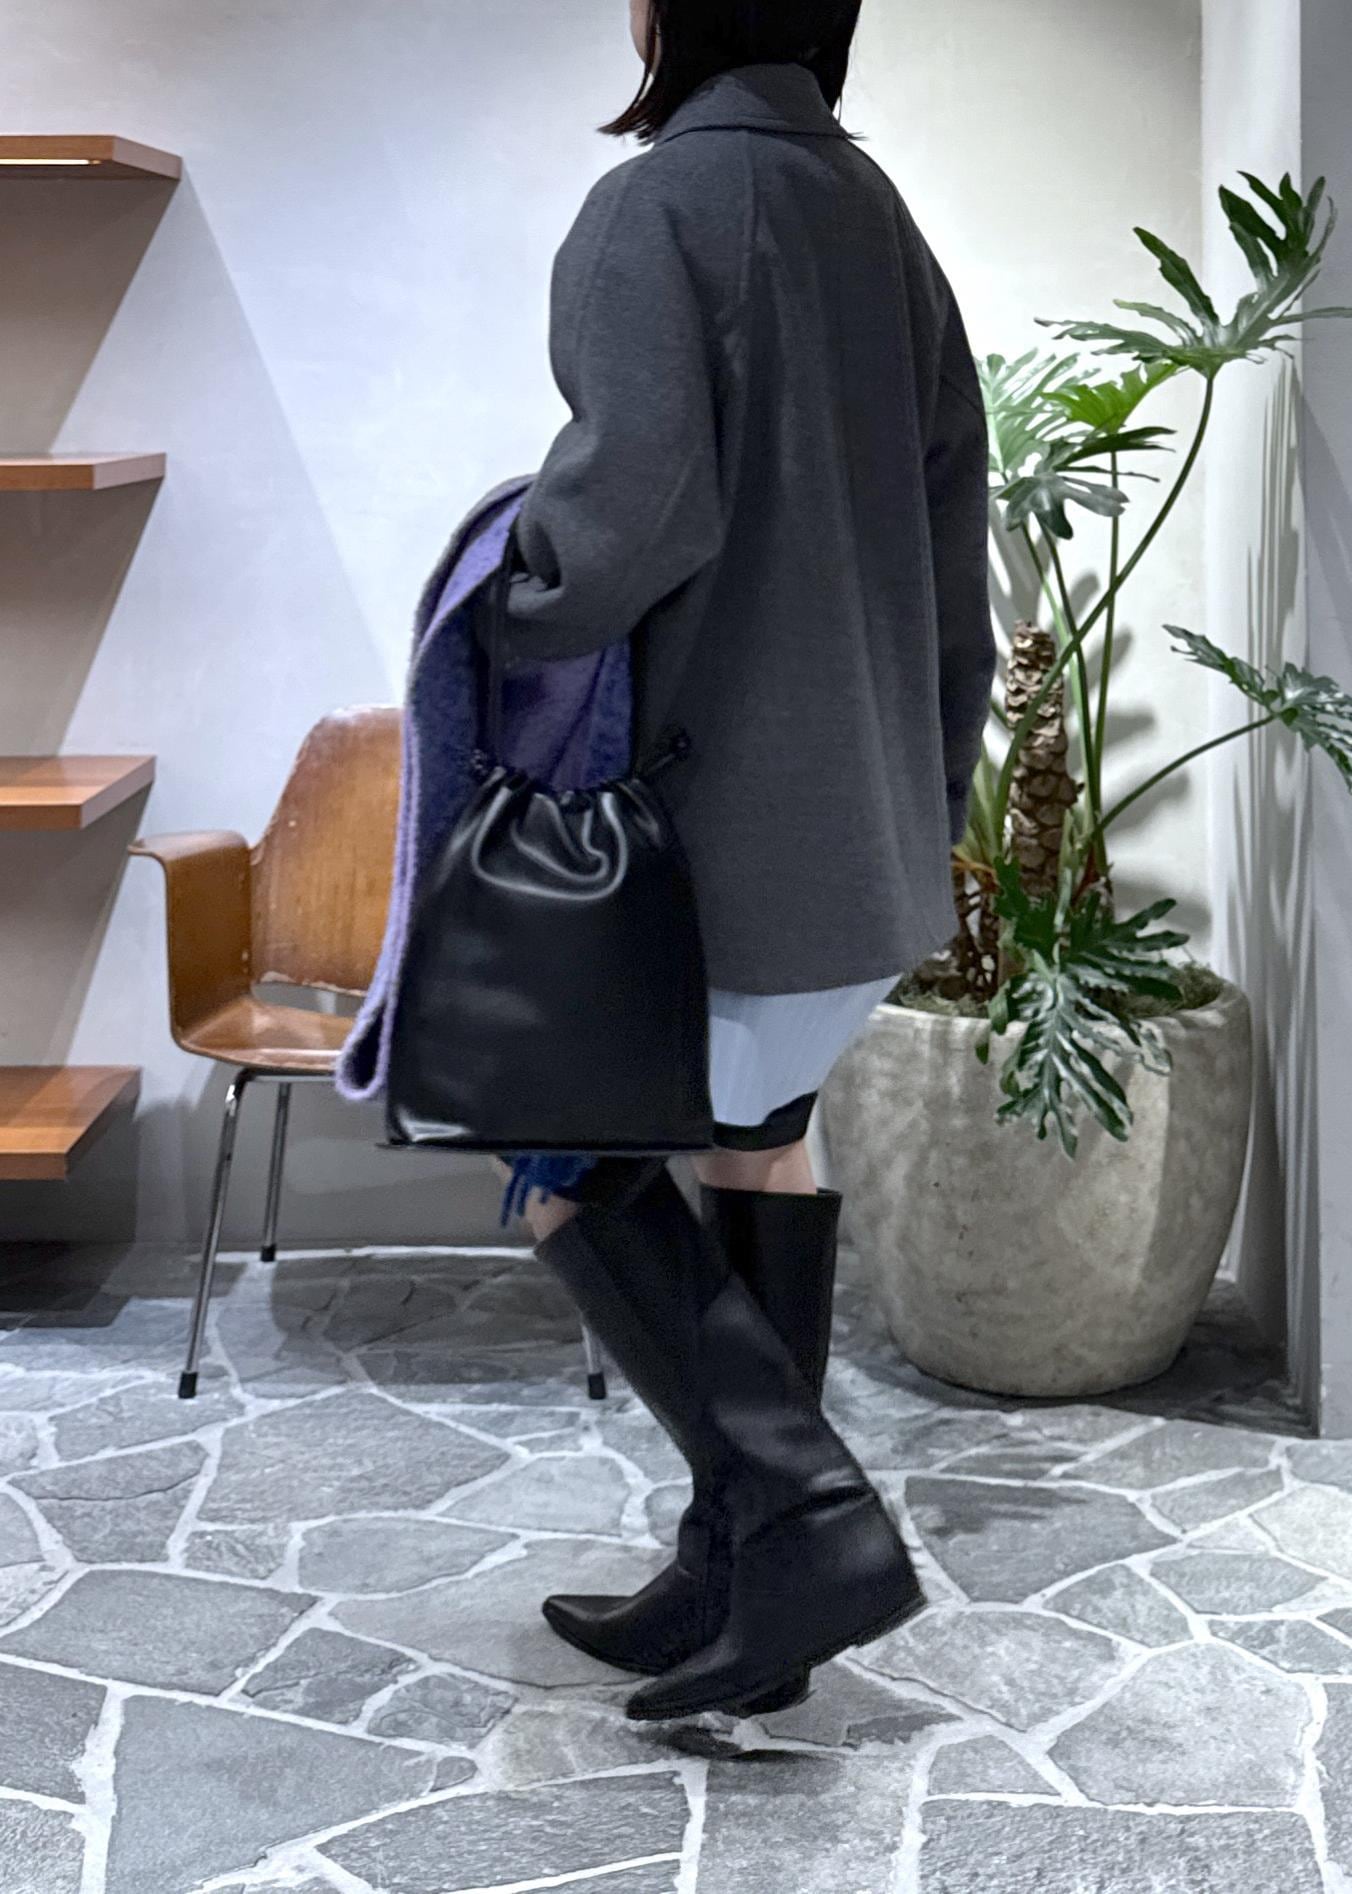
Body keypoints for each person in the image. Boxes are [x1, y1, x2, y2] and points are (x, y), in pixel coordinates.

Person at [492, 0, 996, 1722]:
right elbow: (955, 542)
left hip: (700, 856)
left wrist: (499, 599)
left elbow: (623, 520)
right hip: (861, 844)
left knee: (558, 1168)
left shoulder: (656, 209)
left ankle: (810, 1524)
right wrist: (928, 798)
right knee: (758, 1150)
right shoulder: (882, 221)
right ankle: (738, 1575)